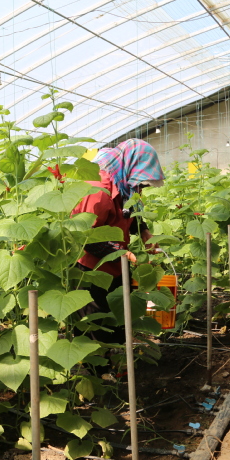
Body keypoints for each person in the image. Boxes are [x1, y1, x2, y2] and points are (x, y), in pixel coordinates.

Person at [72, 138, 164, 345]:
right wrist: (123, 253)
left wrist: (143, 230)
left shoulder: (124, 182)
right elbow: (86, 235)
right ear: (131, 166)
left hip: (116, 262)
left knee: (119, 320)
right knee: (95, 325)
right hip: (91, 269)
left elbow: (127, 210)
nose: (140, 188)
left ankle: (117, 358)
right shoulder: (98, 189)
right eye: (140, 182)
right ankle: (97, 363)